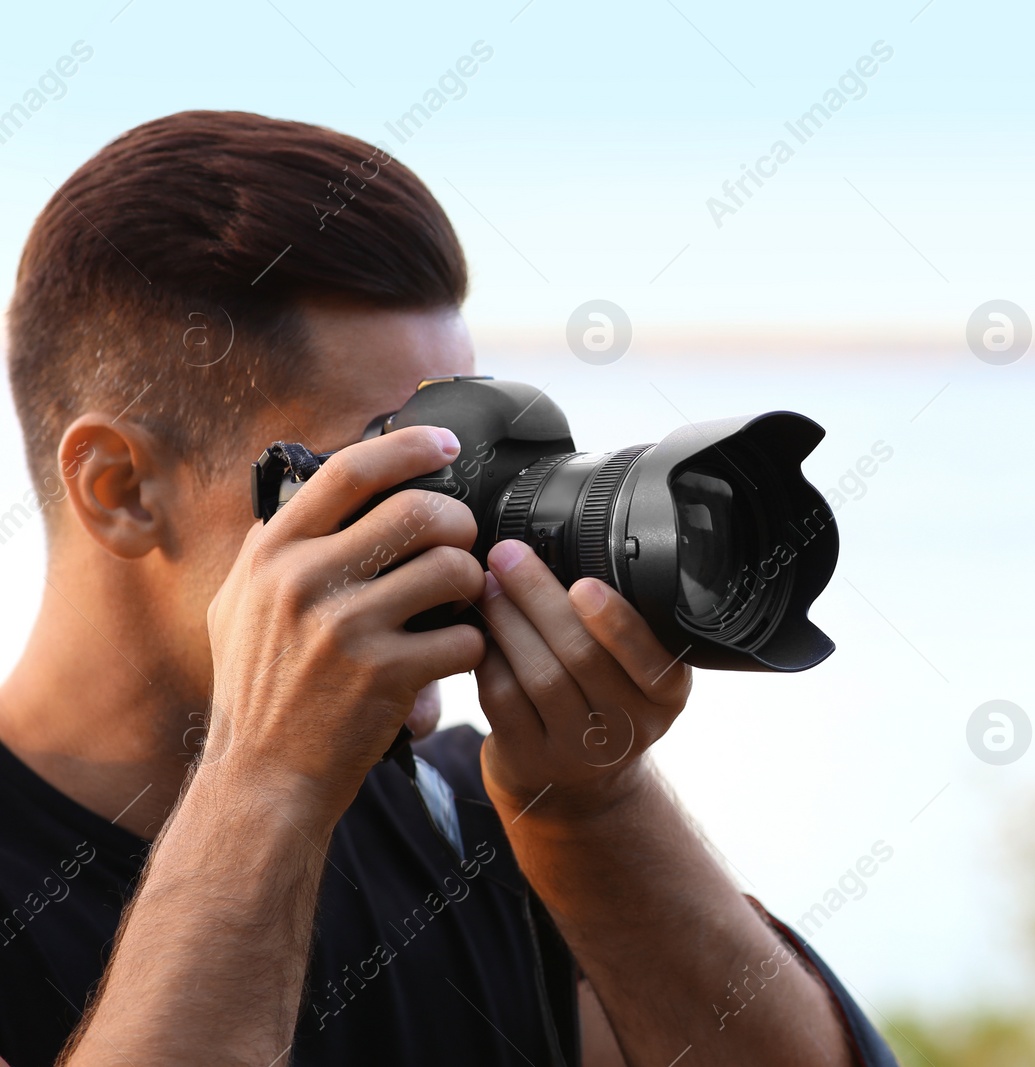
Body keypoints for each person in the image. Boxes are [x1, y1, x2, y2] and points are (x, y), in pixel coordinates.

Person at [0, 110, 894, 1067]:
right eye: (389, 471)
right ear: (122, 489)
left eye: (471, 455)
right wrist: (266, 784)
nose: (454, 524)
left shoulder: (484, 822)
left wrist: (593, 812)